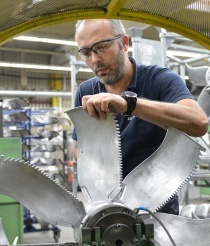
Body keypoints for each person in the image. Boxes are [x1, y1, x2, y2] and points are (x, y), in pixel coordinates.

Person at [71, 19, 208, 215]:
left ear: (124, 43)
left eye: (101, 47)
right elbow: (78, 147)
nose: (94, 60)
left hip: (158, 208)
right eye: (86, 53)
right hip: (107, 207)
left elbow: (199, 122)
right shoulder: (85, 91)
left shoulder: (160, 80)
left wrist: (130, 105)